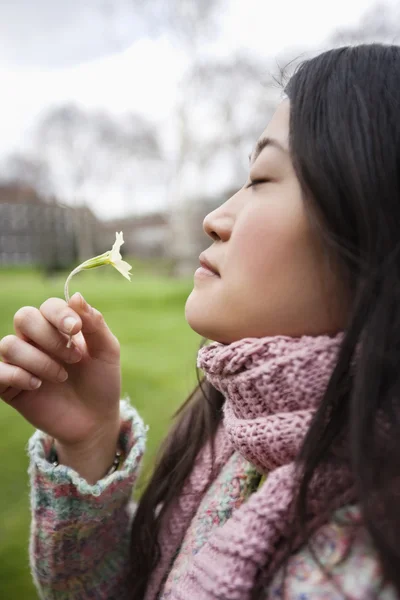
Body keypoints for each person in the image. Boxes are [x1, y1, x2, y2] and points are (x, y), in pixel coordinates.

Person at [0, 43, 399, 600]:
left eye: (261, 179)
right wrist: (89, 441)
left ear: (371, 221)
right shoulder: (237, 429)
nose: (215, 219)